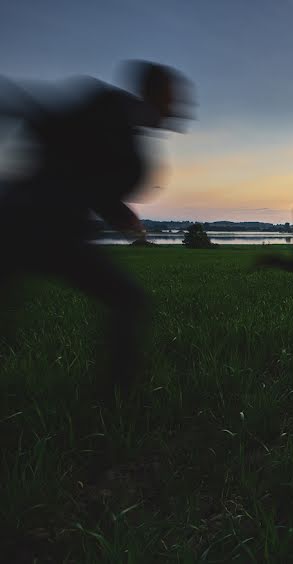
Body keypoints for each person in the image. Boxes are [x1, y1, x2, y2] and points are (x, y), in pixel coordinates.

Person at [0, 61, 192, 401]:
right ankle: (119, 399)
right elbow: (49, 125)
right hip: (29, 223)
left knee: (127, 299)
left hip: (51, 228)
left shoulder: (127, 127)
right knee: (127, 299)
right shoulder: (108, 108)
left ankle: (119, 397)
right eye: (174, 99)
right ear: (157, 94)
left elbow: (90, 177)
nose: (179, 109)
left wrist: (120, 214)